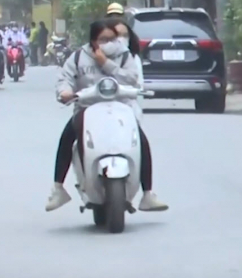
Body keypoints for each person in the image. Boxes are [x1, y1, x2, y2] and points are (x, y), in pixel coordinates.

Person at [46, 18, 167, 212]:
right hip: (87, 107)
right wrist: (65, 92)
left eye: (112, 38)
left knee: (141, 140)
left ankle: (148, 194)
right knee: (67, 137)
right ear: (93, 40)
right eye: (103, 39)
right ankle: (58, 188)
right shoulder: (78, 57)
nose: (110, 43)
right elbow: (65, 79)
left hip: (121, 107)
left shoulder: (125, 56)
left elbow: (132, 78)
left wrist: (107, 64)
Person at [110, 17, 145, 112]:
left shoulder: (133, 58)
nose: (121, 39)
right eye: (117, 35)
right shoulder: (95, 57)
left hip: (127, 107)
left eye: (125, 35)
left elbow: (138, 85)